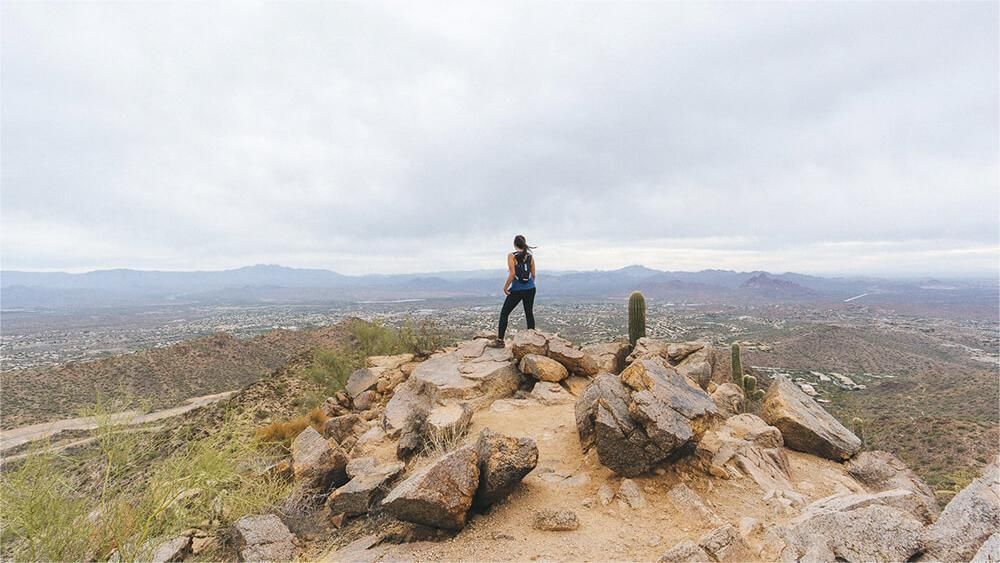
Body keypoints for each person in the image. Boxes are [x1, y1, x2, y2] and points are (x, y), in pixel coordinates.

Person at [489, 235, 536, 347]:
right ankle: (533, 341)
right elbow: (533, 275)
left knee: (505, 313)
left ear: (514, 244)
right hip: (531, 288)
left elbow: (512, 273)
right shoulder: (530, 257)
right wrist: (528, 284)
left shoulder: (512, 256)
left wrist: (505, 287)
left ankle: (500, 341)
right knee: (529, 313)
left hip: (517, 290)